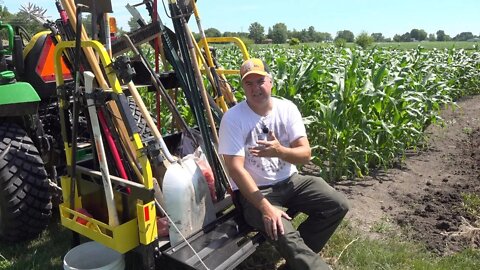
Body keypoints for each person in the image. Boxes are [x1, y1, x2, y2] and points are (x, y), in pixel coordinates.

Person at [218, 58, 349, 270]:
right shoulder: (233, 118)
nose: (255, 88)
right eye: (248, 84)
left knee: (337, 205)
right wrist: (266, 208)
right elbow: (235, 169)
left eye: (260, 81)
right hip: (256, 192)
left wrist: (280, 151)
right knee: (282, 230)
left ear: (271, 81)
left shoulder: (286, 108)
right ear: (243, 87)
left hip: (291, 180)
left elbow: (305, 154)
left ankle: (296, 263)